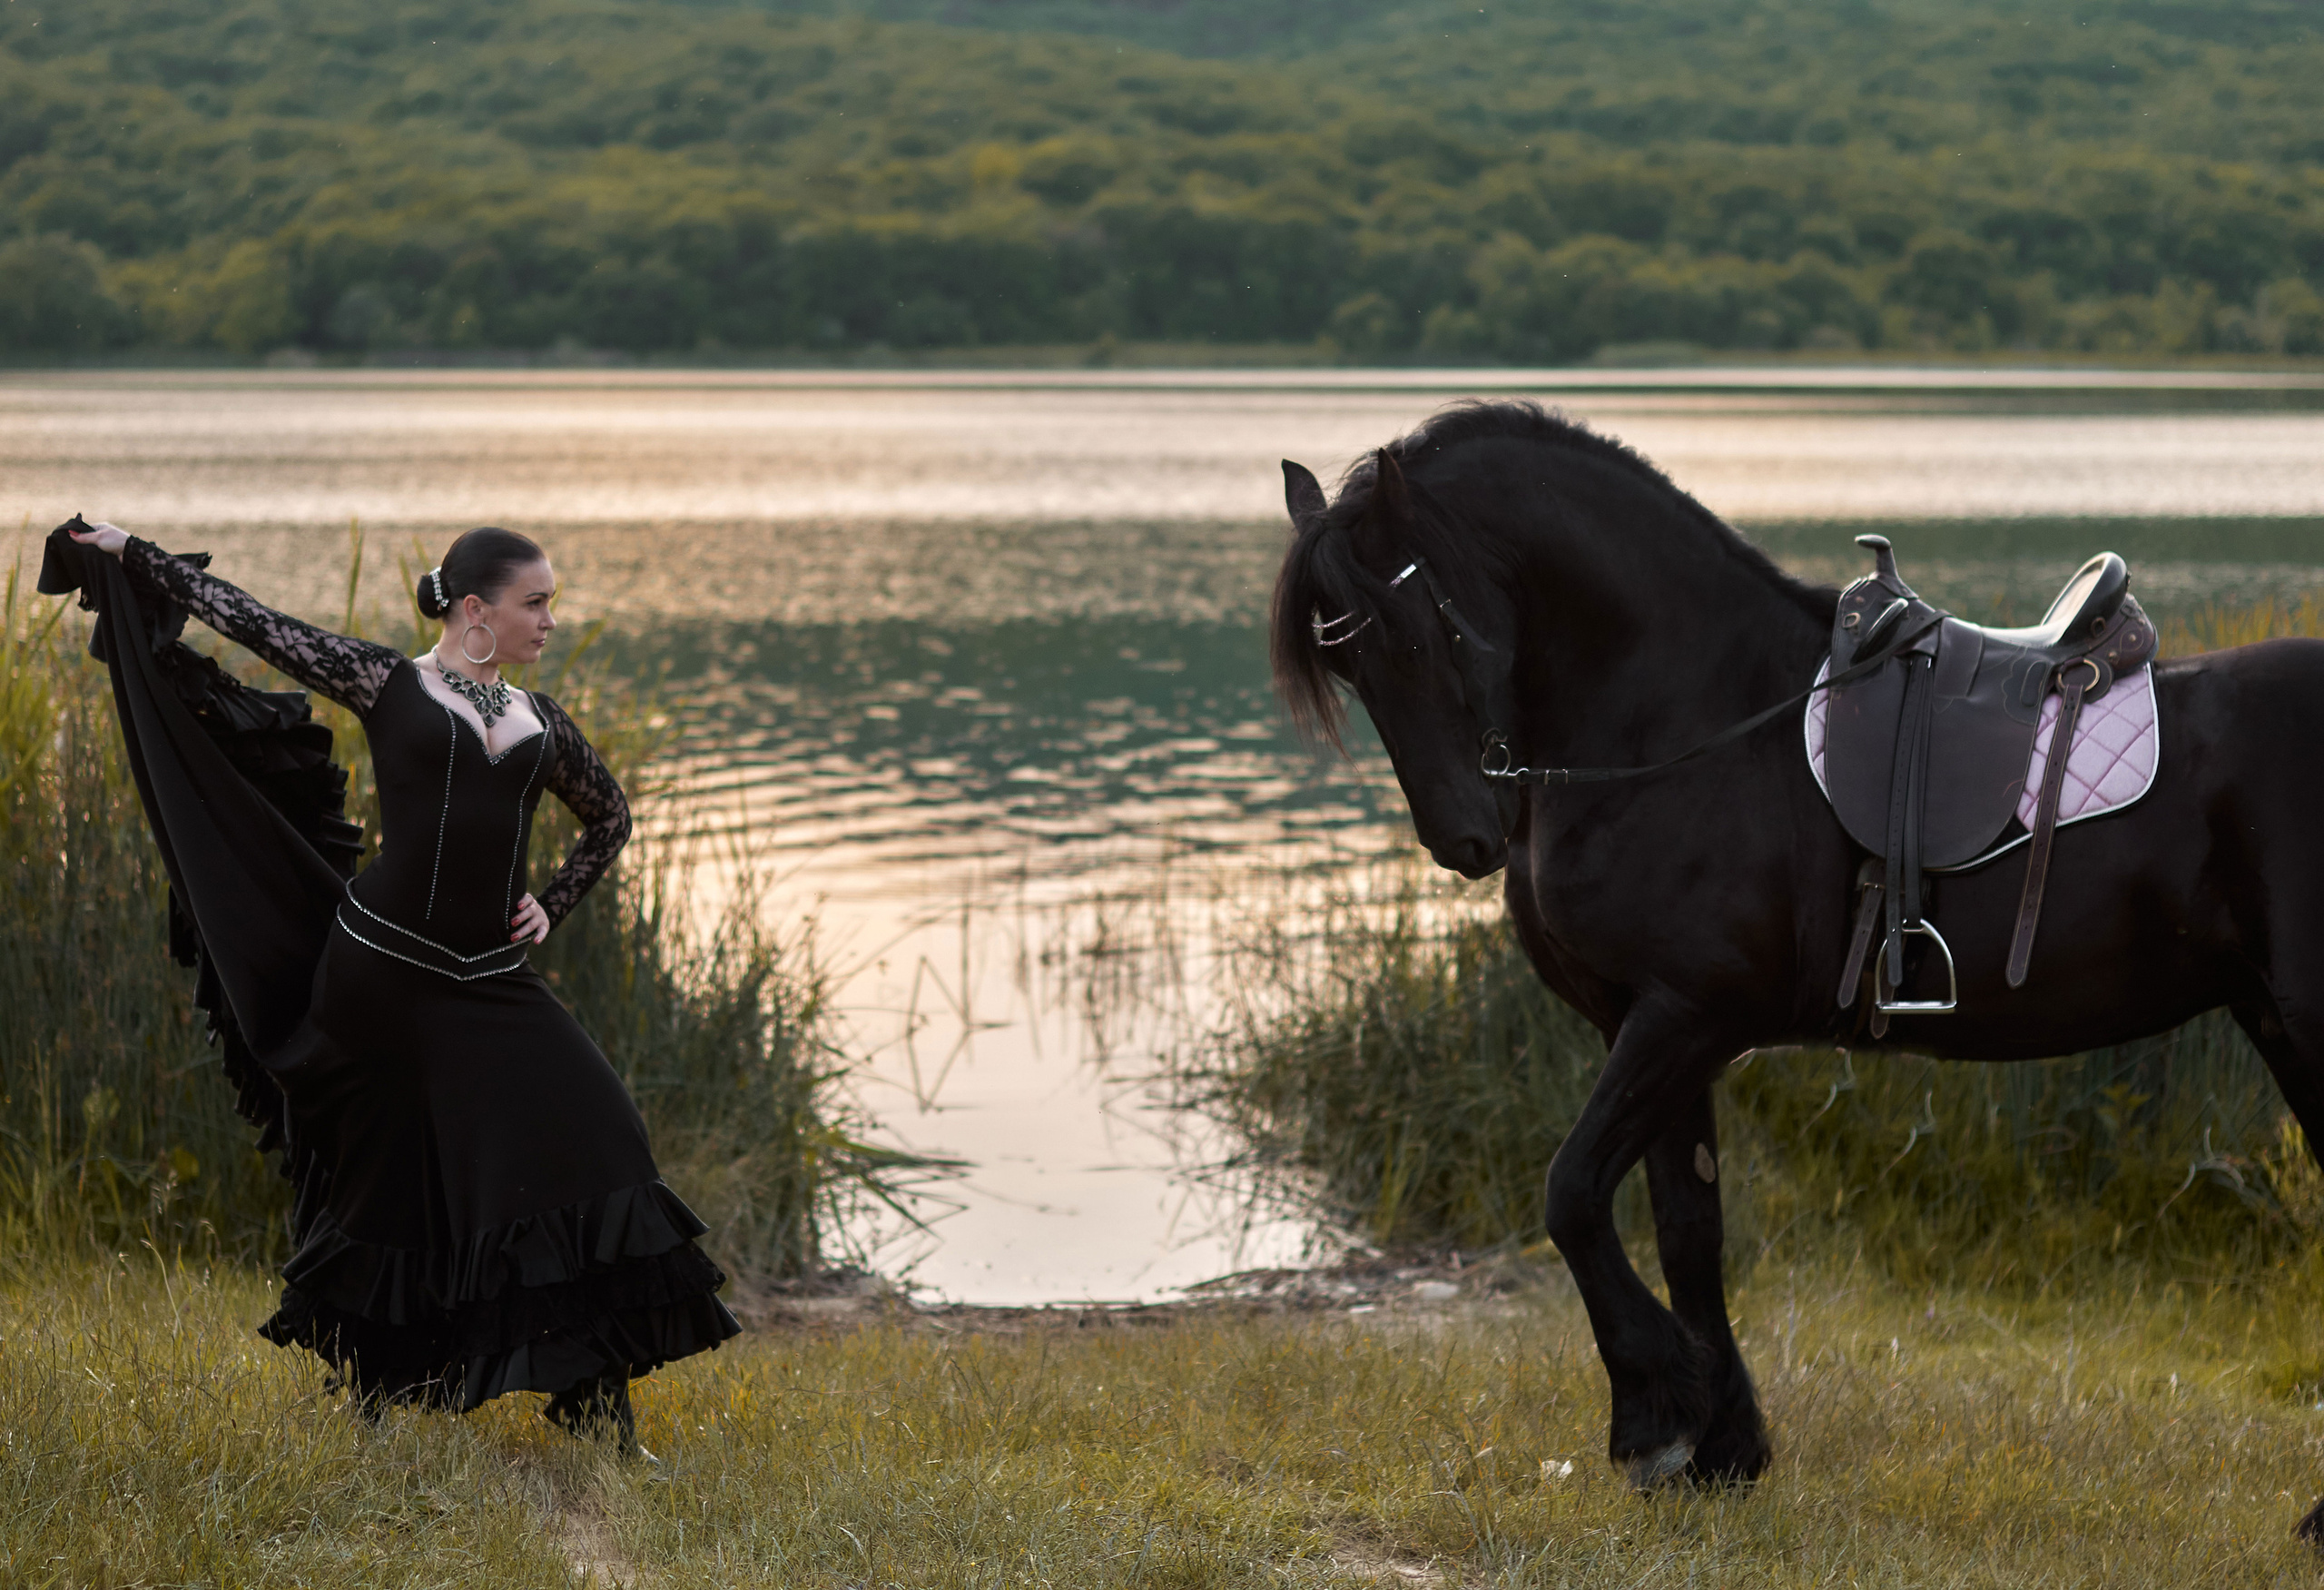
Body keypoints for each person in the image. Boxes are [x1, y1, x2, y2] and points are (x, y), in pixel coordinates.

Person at [63, 519, 738, 1449]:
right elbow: (255, 622)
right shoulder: (392, 684)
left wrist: (552, 901)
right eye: (534, 602)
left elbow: (610, 817)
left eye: (551, 603)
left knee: (603, 1135)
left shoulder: (543, 724)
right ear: (473, 610)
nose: (549, 619)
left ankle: (592, 1399)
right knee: (391, 1184)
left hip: (492, 980)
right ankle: (376, 1397)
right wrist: (135, 551)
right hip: (380, 971)